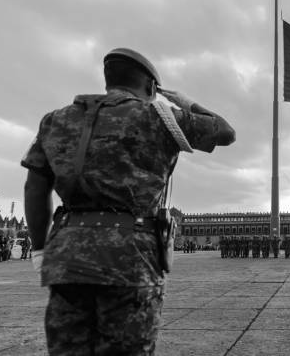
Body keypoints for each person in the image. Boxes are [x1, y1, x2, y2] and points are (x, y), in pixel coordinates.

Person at [22, 48, 235, 355]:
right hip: (129, 260)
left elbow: (34, 188)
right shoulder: (158, 117)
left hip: (66, 259)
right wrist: (183, 101)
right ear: (151, 88)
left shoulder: (56, 120)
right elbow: (225, 132)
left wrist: (40, 250)